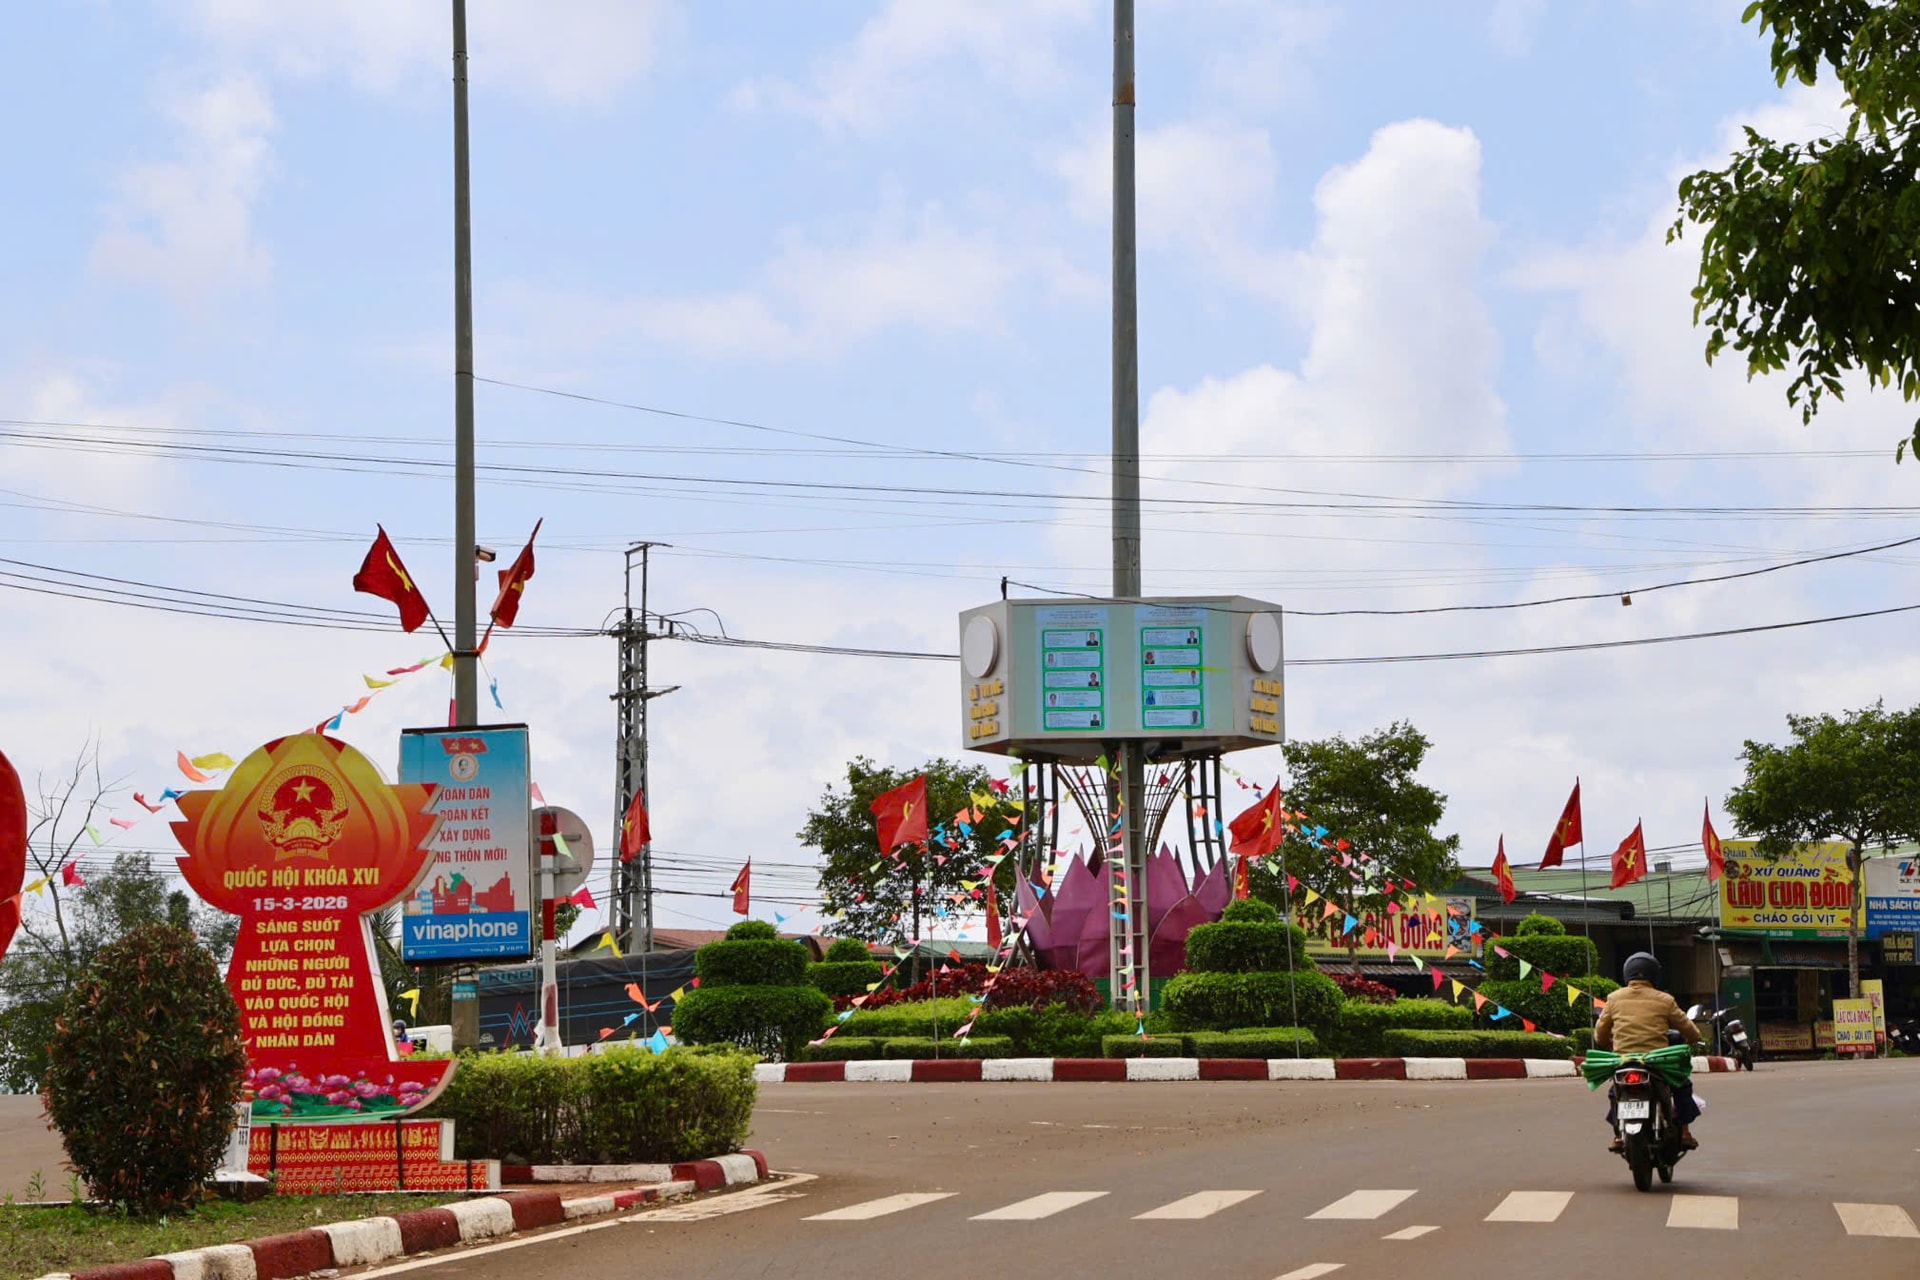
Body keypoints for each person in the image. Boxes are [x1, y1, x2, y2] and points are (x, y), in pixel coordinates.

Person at [1595, 951, 1704, 1150]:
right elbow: (1689, 1029)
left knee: (1614, 1092)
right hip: (1656, 1062)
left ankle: (1618, 1136)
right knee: (1682, 1085)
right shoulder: (1665, 1000)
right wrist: (1692, 1040)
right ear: (1655, 974)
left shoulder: (1614, 998)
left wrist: (1609, 1045)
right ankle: (1685, 1133)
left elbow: (1600, 1034)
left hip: (1624, 1061)